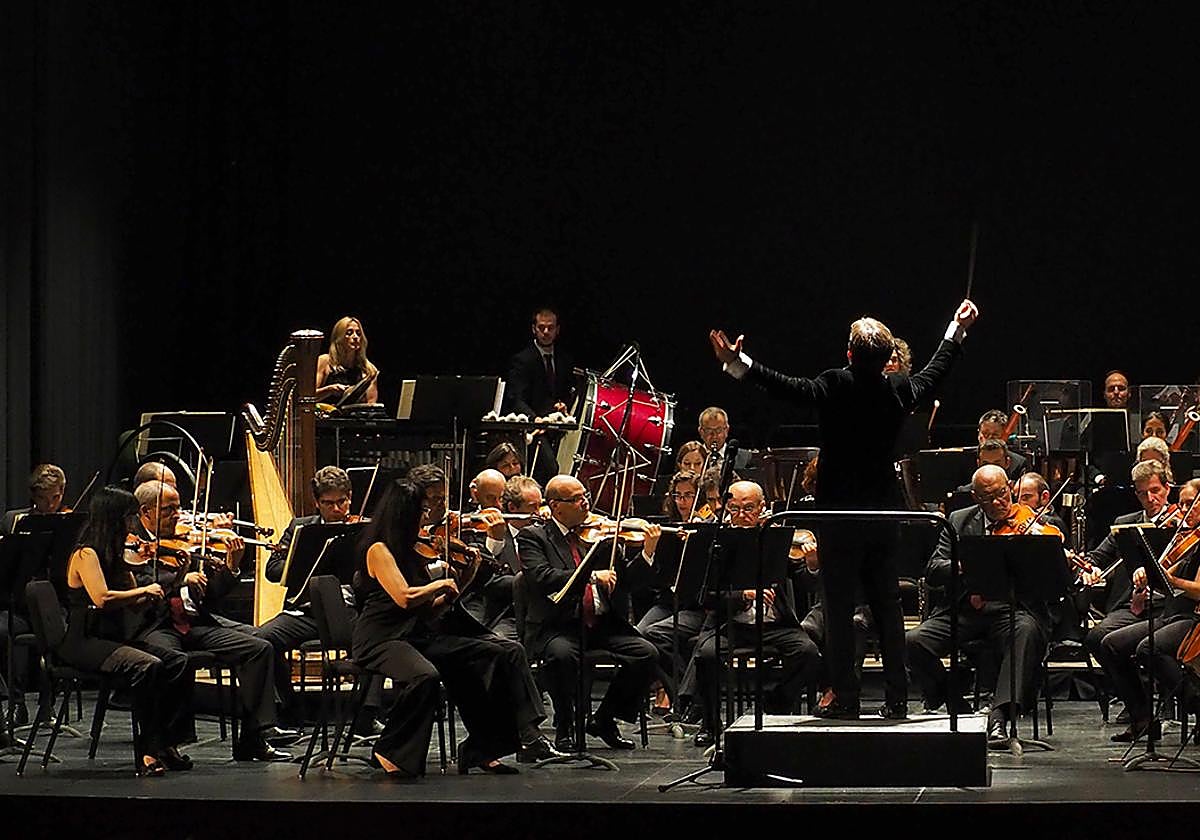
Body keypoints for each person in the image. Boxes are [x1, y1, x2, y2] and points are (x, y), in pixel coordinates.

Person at [710, 297, 979, 719]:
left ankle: (848, 699)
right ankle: (895, 699)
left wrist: (737, 360)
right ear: (888, 358)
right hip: (881, 514)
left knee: (837, 608)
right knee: (888, 607)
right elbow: (938, 369)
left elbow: (781, 384)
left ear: (849, 354)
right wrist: (956, 329)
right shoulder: (898, 388)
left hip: (837, 515)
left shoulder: (834, 384)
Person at [351, 478, 559, 780]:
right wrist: (439, 583)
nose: (425, 517)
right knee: (425, 675)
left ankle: (487, 746)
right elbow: (404, 597)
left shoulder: (413, 550)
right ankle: (389, 748)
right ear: (401, 514)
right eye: (420, 512)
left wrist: (465, 578)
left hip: (416, 634)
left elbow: (433, 608)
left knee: (498, 652)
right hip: (381, 638)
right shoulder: (379, 550)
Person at [128, 480, 288, 761]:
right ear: (146, 512)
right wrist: (180, 578)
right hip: (156, 623)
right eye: (168, 510)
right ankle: (167, 742)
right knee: (173, 659)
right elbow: (141, 586)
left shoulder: (183, 542)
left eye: (178, 508)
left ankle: (255, 737)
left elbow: (211, 594)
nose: (178, 516)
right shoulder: (132, 544)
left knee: (259, 646)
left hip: (194, 622)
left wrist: (232, 566)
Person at [905, 465, 1052, 745]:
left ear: (1010, 486)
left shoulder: (1029, 523)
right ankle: (954, 702)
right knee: (913, 641)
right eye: (988, 498)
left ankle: (999, 718)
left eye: (1002, 493)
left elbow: (1045, 578)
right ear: (975, 497)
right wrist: (967, 566)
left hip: (1012, 609)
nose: (998, 502)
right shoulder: (958, 521)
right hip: (965, 610)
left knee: (1025, 632)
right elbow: (934, 569)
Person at [518, 474, 659, 751]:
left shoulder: (601, 535)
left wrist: (647, 554)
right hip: (557, 624)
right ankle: (565, 725)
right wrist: (592, 576)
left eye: (586, 497)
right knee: (562, 655)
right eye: (577, 499)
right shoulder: (533, 537)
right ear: (556, 505)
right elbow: (541, 577)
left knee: (646, 654)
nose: (586, 504)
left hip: (601, 624)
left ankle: (605, 719)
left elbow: (627, 583)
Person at [61, 487, 194, 775]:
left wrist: (173, 581)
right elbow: (102, 598)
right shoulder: (86, 554)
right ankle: (147, 752)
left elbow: (134, 604)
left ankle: (168, 742)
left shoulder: (118, 554)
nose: (132, 524)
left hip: (112, 636)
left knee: (178, 661)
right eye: (129, 518)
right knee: (147, 666)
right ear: (114, 519)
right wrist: (144, 590)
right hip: (85, 640)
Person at [691, 481, 823, 747]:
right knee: (705, 655)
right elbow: (705, 596)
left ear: (763, 508)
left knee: (808, 653)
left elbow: (807, 584)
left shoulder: (777, 539)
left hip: (776, 624)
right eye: (735, 508)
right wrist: (744, 595)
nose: (741, 515)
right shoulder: (718, 543)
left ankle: (777, 702)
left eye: (749, 508)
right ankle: (710, 724)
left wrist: (812, 565)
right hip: (732, 623)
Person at [255, 466, 371, 726]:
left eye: (342, 501)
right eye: (328, 503)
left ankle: (366, 715)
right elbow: (272, 571)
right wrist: (299, 562)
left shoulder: (364, 528)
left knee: (378, 640)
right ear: (316, 502)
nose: (337, 509)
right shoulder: (300, 528)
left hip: (349, 611)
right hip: (306, 612)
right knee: (263, 640)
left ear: (350, 497)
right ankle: (290, 709)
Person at [1095, 477, 1200, 743]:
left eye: (1191, 504)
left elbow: (1194, 588)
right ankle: (1142, 718)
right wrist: (1147, 575)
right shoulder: (1186, 538)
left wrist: (1169, 580)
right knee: (1111, 644)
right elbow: (1165, 577)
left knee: (1149, 648)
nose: (1184, 511)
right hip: (1172, 615)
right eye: (1182, 504)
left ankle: (1197, 704)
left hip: (1193, 618)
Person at [504, 306, 575, 480]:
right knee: (550, 467)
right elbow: (516, 398)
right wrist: (534, 419)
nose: (545, 332)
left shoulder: (565, 360)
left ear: (557, 330)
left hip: (558, 426)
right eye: (541, 327)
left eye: (550, 327)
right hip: (534, 429)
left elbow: (567, 393)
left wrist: (563, 405)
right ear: (534, 329)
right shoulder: (522, 360)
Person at [316, 316, 379, 405]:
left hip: (354, 417)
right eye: (349, 333)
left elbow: (371, 404)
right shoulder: (324, 361)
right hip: (326, 416)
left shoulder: (369, 369)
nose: (355, 337)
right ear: (339, 337)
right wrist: (329, 390)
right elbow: (309, 398)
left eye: (358, 333)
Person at [2, 463, 68, 534]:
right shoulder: (11, 520)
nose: (50, 505)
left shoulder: (69, 521)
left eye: (55, 497)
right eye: (42, 498)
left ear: (62, 492)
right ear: (33, 495)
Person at [977, 409, 1029, 477]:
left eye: (995, 434)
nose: (990, 438)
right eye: (985, 433)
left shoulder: (1018, 463)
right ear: (979, 433)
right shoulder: (964, 461)